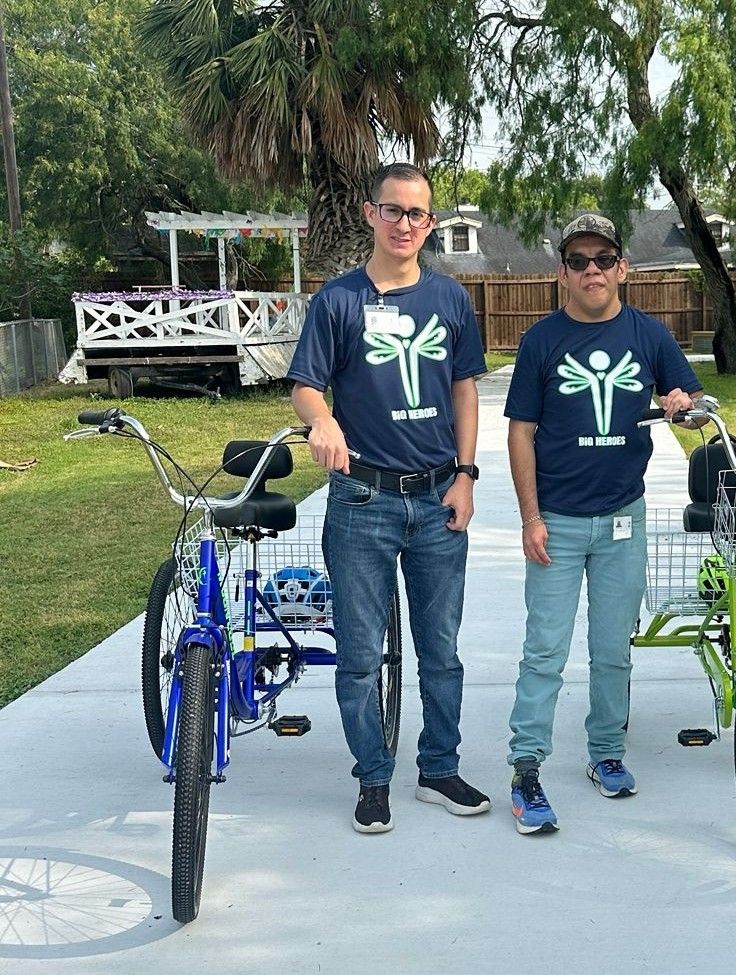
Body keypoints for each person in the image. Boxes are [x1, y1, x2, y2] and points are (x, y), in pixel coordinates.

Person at [287, 162, 491, 833]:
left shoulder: (450, 299)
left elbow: (464, 388)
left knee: (443, 650)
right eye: (394, 210)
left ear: (431, 224)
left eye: (419, 214)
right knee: (357, 655)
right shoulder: (337, 300)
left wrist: (466, 472)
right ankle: (373, 777)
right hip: (361, 501)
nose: (406, 224)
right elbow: (306, 384)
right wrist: (322, 419)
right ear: (372, 214)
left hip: (437, 498)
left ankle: (438, 768)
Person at [504, 213, 704, 834]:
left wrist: (684, 408)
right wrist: (530, 517)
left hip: (623, 518)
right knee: (545, 651)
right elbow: (521, 433)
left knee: (614, 650)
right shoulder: (541, 341)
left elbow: (694, 409)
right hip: (557, 523)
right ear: (561, 272)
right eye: (578, 260)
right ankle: (526, 767)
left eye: (603, 258)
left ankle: (606, 753)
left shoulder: (649, 335)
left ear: (623, 267)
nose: (592, 269)